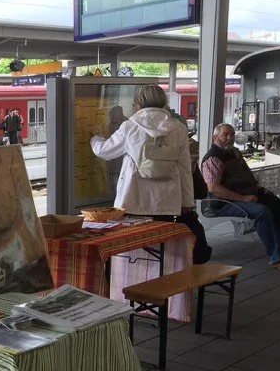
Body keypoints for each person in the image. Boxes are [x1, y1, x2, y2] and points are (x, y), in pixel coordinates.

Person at [90, 84, 211, 263]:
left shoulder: (130, 126)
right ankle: (163, 281)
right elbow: (185, 168)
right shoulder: (178, 128)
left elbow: (105, 151)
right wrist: (186, 202)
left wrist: (95, 138)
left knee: (135, 251)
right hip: (167, 202)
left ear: (138, 103)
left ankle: (137, 282)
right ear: (163, 101)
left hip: (133, 200)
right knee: (164, 249)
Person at [202, 123, 280, 272]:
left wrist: (258, 189)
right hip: (225, 202)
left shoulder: (235, 153)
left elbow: (246, 176)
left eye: (232, 134)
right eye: (225, 134)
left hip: (247, 195)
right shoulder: (213, 159)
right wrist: (242, 198)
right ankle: (277, 257)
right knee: (262, 212)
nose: (230, 138)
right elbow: (214, 189)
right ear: (215, 137)